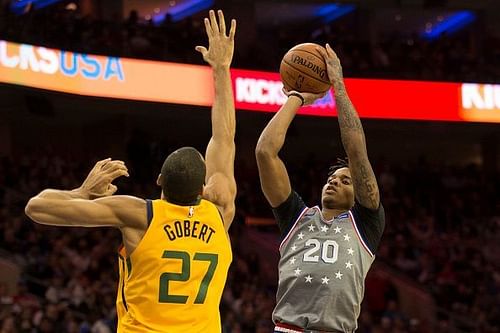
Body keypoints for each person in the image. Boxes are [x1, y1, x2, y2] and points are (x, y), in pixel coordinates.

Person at [25, 9, 237, 333]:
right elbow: (224, 138)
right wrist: (222, 69)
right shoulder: (220, 212)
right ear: (202, 189)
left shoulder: (139, 213)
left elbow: (36, 207)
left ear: (159, 181)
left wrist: (81, 192)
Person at [255, 43, 385, 332]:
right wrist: (297, 98)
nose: (334, 181)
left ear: (358, 194)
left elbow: (356, 151)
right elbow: (265, 152)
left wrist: (338, 85)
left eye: (345, 180)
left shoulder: (365, 223)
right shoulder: (295, 217)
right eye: (331, 179)